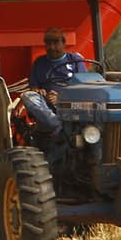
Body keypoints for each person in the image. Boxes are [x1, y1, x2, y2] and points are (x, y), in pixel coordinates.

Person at [20, 28, 88, 167]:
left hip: (71, 105)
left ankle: (59, 125)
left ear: (64, 43)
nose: (52, 47)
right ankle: (57, 124)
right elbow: (33, 87)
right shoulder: (40, 63)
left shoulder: (75, 60)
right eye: (48, 43)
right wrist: (40, 92)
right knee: (27, 96)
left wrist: (62, 97)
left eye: (56, 43)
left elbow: (84, 86)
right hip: (47, 107)